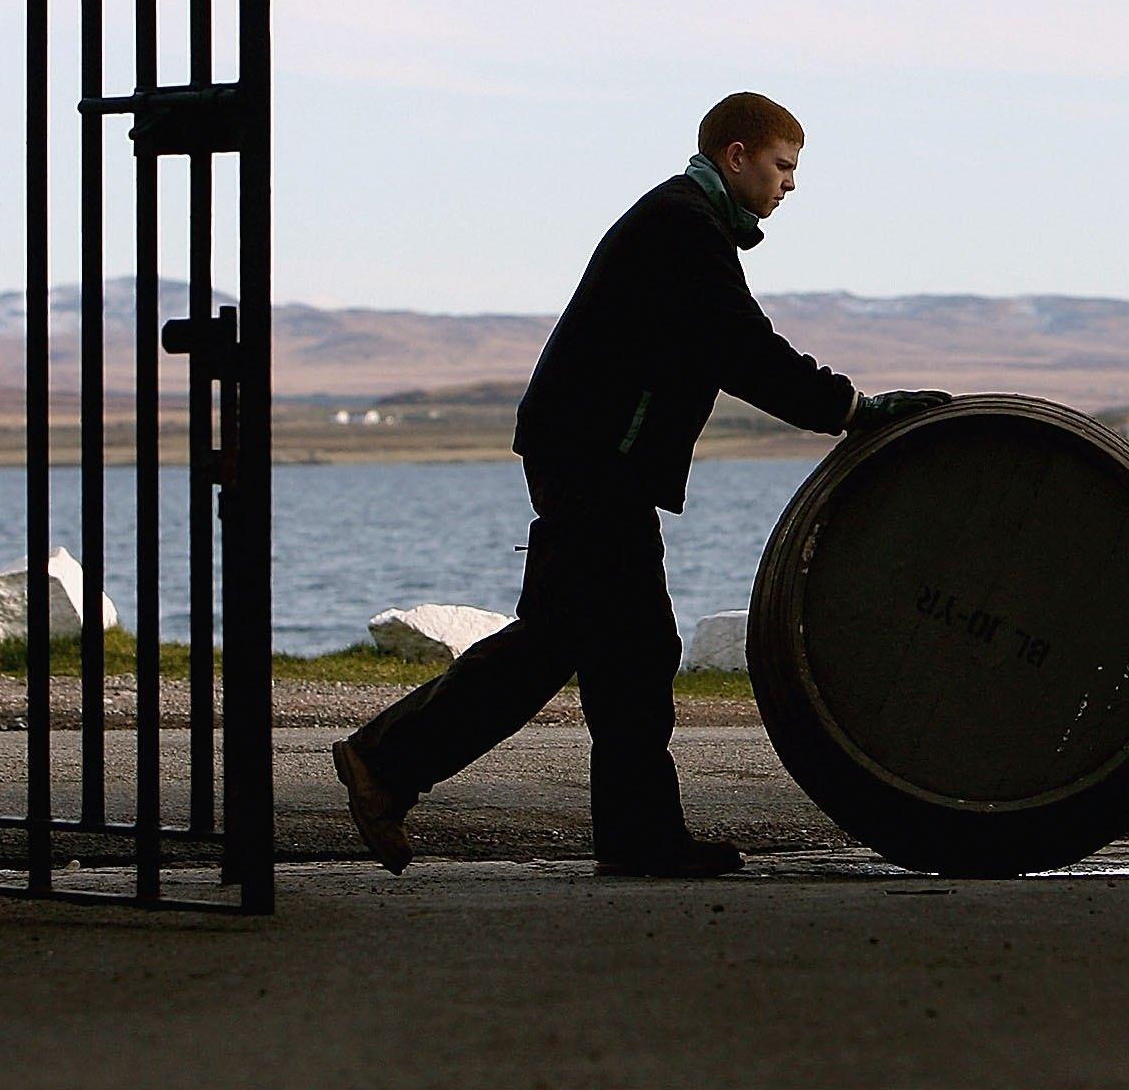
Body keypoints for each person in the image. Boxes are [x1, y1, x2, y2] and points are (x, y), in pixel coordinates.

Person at [329, 92, 951, 878]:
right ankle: (397, 766)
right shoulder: (683, 226)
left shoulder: (688, 221)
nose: (790, 185)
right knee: (615, 642)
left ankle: (615, 830)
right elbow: (742, 348)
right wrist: (853, 407)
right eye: (782, 165)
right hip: (596, 458)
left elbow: (728, 347)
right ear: (736, 155)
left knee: (592, 642)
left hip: (588, 453)